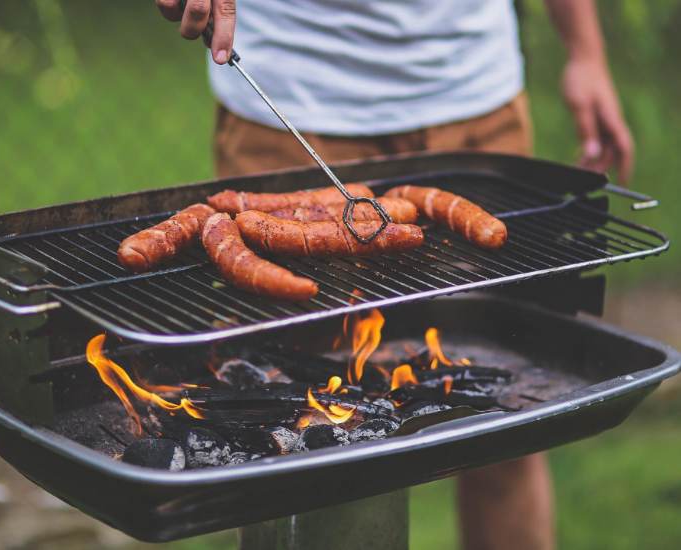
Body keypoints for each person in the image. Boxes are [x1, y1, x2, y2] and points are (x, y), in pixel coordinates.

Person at [155, 1, 634, 548]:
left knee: (507, 425)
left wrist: (586, 52)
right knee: (298, 434)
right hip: (289, 97)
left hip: (475, 99)